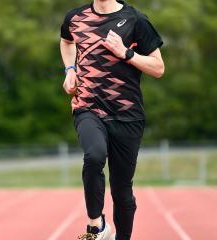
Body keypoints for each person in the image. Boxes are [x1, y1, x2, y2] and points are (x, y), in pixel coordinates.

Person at [60, 0, 164, 239]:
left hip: (127, 115)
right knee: (94, 155)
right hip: (88, 107)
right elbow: (66, 41)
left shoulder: (136, 19)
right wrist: (69, 70)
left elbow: (158, 68)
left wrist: (126, 53)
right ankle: (96, 226)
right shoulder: (75, 18)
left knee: (122, 192)